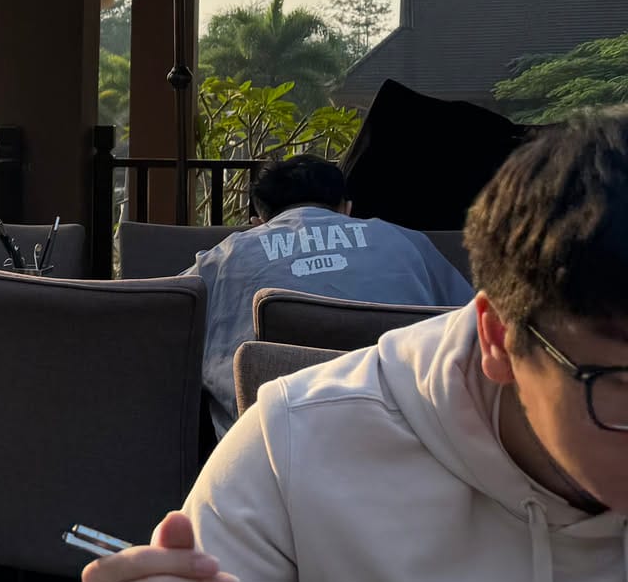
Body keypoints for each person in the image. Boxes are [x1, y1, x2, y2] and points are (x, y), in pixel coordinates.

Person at [57, 111, 628, 582]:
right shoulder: (305, 428)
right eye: (621, 384)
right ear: (497, 339)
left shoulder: (228, 257)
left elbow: (159, 329)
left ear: (257, 212)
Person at [186, 154, 472, 438]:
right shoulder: (408, 243)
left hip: (270, 446)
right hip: (413, 439)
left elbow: (166, 312)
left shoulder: (224, 259)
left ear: (259, 221)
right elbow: (472, 325)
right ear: (347, 209)